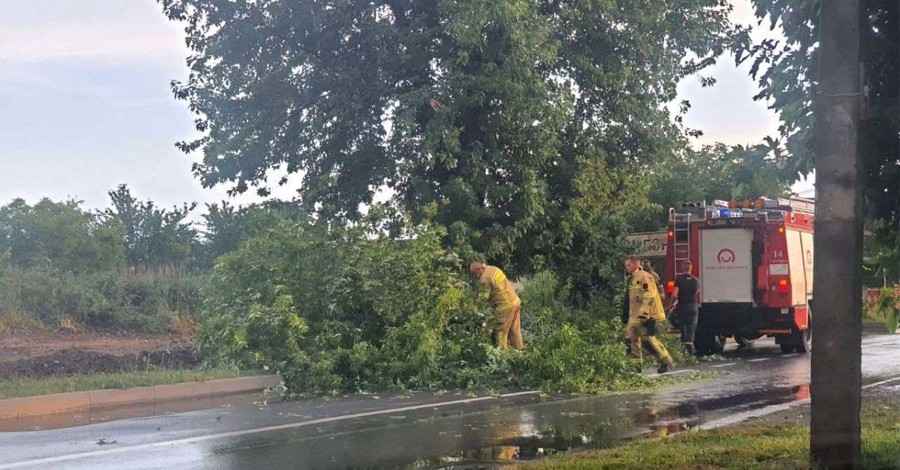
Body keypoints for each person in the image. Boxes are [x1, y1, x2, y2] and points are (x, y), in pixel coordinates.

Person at [624, 255, 674, 373]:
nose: (627, 268)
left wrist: (644, 313)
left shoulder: (645, 277)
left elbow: (649, 295)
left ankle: (664, 360)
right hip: (633, 315)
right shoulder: (632, 278)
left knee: (648, 341)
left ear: (637, 264)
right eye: (626, 265)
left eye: (629, 265)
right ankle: (636, 367)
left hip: (644, 316)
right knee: (630, 340)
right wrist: (625, 315)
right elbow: (629, 299)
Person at [469, 261, 524, 350]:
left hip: (504, 306)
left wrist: (473, 308)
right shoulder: (493, 269)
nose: (475, 276)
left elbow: (483, 298)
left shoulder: (484, 278)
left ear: (479, 269)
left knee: (500, 332)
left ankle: (502, 355)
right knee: (514, 330)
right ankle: (520, 352)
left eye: (474, 274)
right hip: (515, 301)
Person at [670, 260, 701, 355]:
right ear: (691, 268)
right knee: (691, 328)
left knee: (683, 328)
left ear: (682, 268)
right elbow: (696, 292)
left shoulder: (678, 280)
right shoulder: (697, 281)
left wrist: (671, 303)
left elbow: (674, 295)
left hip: (682, 307)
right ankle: (690, 350)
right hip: (692, 307)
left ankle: (684, 350)